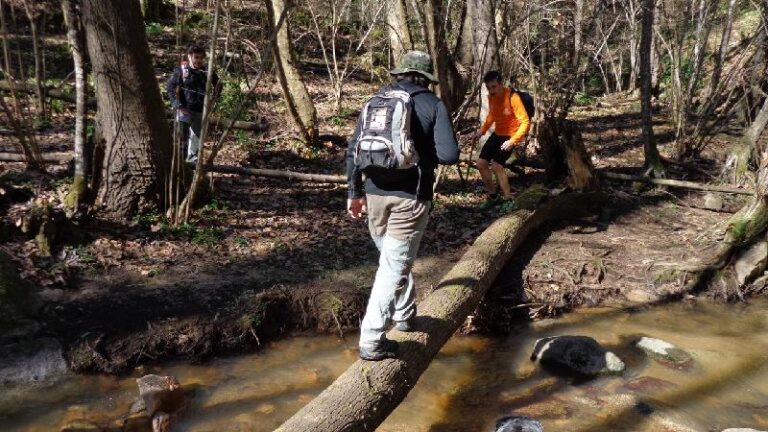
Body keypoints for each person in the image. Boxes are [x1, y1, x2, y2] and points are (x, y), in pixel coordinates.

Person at [346, 50, 459, 361]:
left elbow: (354, 149)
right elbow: (449, 155)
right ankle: (371, 340)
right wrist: (424, 152)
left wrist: (353, 192)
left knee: (393, 258)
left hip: (373, 194)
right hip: (411, 197)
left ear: (400, 73)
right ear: (425, 78)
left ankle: (406, 315)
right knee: (394, 265)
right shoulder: (432, 104)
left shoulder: (376, 100)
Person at [472, 71, 531, 212]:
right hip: (498, 134)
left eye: (494, 87)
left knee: (497, 166)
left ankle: (508, 198)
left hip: (511, 136)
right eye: (489, 88)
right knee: (481, 164)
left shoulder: (513, 97)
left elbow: (525, 122)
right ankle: (493, 197)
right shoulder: (492, 98)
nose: (491, 91)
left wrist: (513, 140)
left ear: (500, 84)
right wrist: (482, 131)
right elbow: (492, 115)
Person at [166, 45, 219, 164]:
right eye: (196, 57)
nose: (198, 60)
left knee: (196, 136)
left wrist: (213, 101)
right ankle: (179, 162)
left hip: (201, 109)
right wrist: (178, 105)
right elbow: (170, 87)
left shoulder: (207, 71)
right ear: (189, 57)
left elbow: (218, 85)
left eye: (201, 58)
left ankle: (191, 162)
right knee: (182, 137)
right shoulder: (182, 70)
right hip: (184, 108)